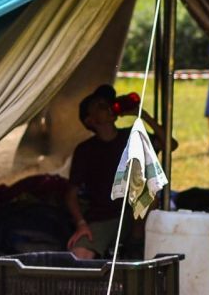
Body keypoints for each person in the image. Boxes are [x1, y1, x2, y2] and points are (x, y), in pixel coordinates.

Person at [65, 84, 170, 259]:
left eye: (107, 104)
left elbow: (169, 145)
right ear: (91, 121)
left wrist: (143, 116)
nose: (107, 107)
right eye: (100, 107)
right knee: (78, 255)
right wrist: (81, 224)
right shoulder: (86, 150)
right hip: (102, 218)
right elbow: (71, 194)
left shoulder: (132, 136)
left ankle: (135, 242)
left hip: (133, 218)